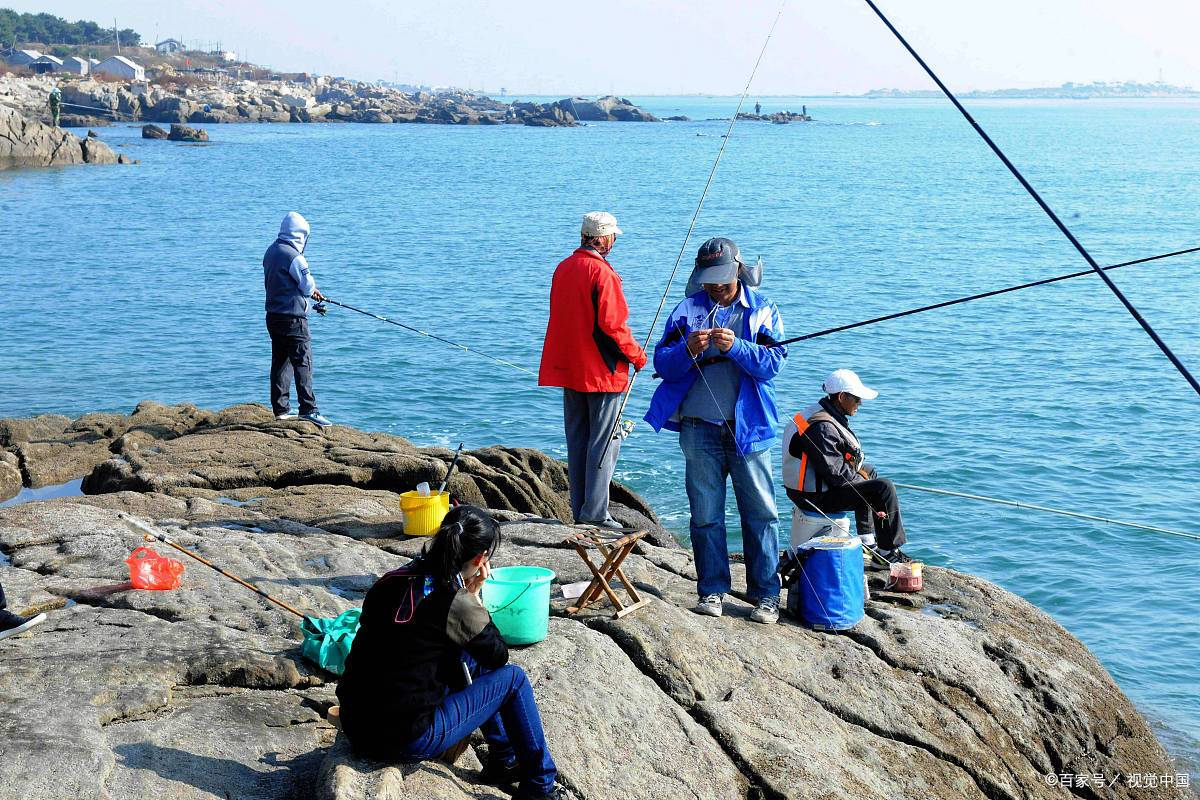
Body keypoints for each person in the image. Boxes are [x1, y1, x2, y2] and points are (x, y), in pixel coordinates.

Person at [336, 506, 562, 800]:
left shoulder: (392, 579)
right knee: (513, 679)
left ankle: (504, 759)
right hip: (405, 738)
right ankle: (540, 788)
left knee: (469, 658)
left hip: (357, 723)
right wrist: (474, 595)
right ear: (481, 559)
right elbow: (498, 656)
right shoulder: (455, 600)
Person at [644, 237, 787, 624]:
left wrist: (738, 348)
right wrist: (686, 350)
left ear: (739, 273)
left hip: (750, 430)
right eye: (709, 282)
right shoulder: (686, 311)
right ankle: (711, 591)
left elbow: (773, 363)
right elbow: (662, 363)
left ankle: (767, 596)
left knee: (761, 514)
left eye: (722, 282)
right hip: (697, 429)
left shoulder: (763, 311)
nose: (715, 289)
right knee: (705, 515)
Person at [538, 212, 647, 529]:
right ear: (604, 238)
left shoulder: (564, 268)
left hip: (570, 370)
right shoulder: (603, 274)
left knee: (578, 441)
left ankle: (580, 509)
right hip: (601, 373)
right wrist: (638, 357)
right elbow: (612, 327)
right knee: (604, 443)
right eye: (614, 237)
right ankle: (596, 514)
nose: (615, 242)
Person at [781, 369, 911, 564]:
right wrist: (865, 482)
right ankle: (886, 553)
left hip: (811, 487)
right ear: (841, 397)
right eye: (857, 399)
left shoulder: (818, 412)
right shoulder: (822, 427)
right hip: (813, 497)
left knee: (869, 472)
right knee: (883, 488)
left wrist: (863, 477)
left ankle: (867, 540)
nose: (860, 403)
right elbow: (837, 476)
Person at [262, 211, 332, 427]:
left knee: (281, 362)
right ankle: (309, 409)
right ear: (300, 234)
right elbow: (307, 285)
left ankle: (281, 409)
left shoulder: (271, 251)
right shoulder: (294, 256)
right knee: (303, 362)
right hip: (294, 318)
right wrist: (313, 291)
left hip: (273, 316)